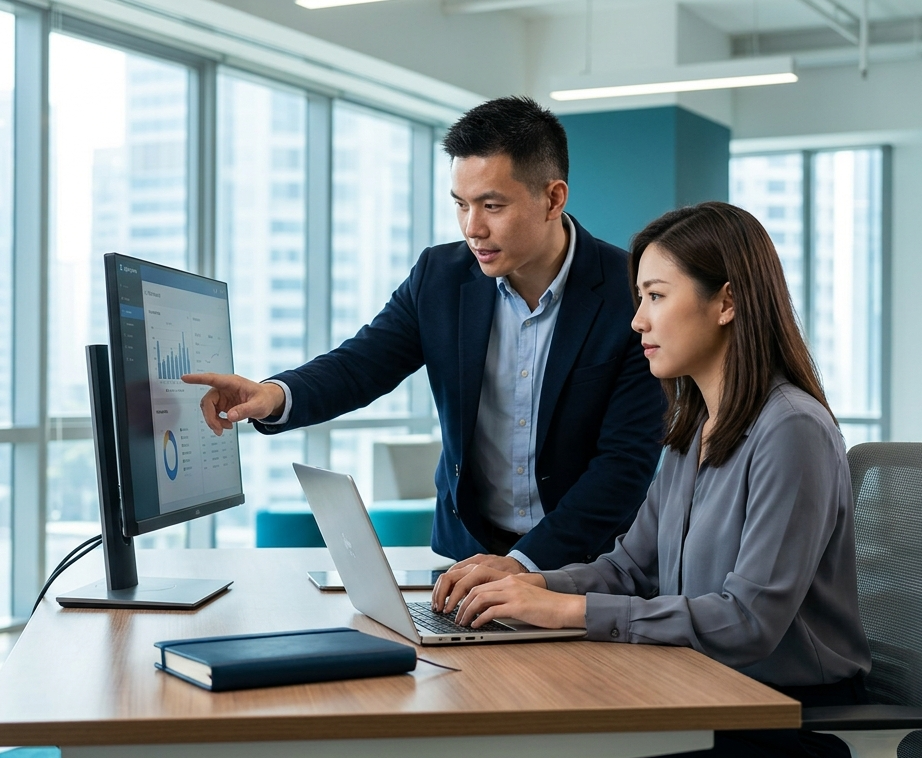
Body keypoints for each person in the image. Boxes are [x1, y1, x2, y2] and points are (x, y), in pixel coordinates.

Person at [431, 201, 872, 758]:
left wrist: (568, 612)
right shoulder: (695, 428)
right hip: (698, 692)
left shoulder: (791, 429)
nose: (637, 319)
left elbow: (748, 621)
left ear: (728, 302)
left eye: (657, 296)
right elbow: (629, 570)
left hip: (782, 720)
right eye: (640, 298)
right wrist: (530, 584)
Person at [182, 96, 666, 572]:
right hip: (467, 556)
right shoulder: (440, 275)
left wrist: (523, 565)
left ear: (553, 198)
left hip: (588, 564)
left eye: (492, 205)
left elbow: (624, 464)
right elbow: (362, 364)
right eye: (461, 205)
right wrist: (272, 395)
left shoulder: (630, 293)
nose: (472, 228)